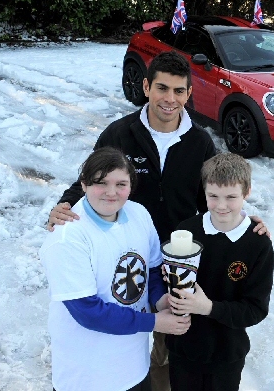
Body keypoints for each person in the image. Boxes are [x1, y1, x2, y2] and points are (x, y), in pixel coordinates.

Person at [45, 50, 269, 391]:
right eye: (162, 88)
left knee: (169, 345)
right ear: (147, 86)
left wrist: (241, 219)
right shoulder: (120, 133)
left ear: (188, 94)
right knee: (128, 330)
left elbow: (214, 191)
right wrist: (64, 203)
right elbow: (93, 177)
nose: (170, 98)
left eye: (179, 91)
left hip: (179, 259)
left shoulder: (199, 141)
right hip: (126, 253)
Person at [39, 147, 191, 391]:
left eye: (121, 184)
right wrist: (153, 322)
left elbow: (151, 270)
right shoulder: (67, 236)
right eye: (101, 182)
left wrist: (160, 299)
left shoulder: (138, 214)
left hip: (135, 367)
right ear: (84, 183)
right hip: (88, 376)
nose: (112, 193)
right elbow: (87, 311)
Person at [166, 152, 274, 391]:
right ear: (203, 191)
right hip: (183, 349)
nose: (221, 205)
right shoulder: (187, 230)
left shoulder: (258, 243)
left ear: (247, 193)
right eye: (213, 196)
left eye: (231, 197)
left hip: (226, 355)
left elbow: (255, 309)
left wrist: (207, 308)